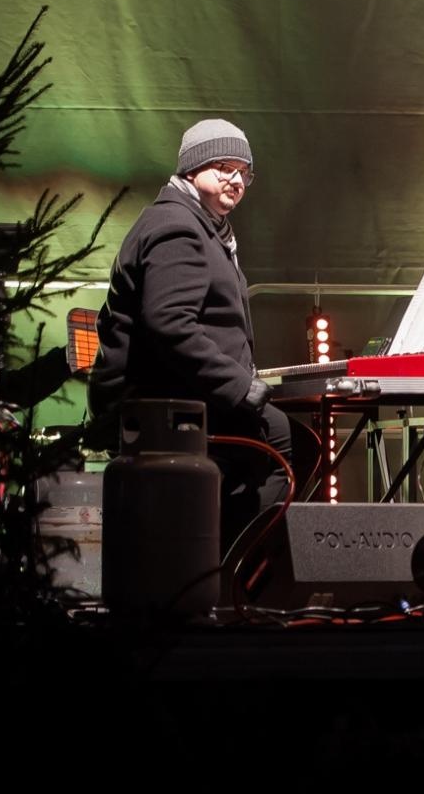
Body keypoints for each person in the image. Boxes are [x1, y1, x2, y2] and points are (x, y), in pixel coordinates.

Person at [88, 119, 296, 552]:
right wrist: (239, 385)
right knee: (283, 440)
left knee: (277, 436)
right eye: (224, 167)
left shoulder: (199, 224)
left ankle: (217, 555)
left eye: (244, 172)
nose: (236, 180)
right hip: (163, 403)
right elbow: (169, 325)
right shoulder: (177, 227)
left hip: (185, 394)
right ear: (192, 168)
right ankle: (226, 566)